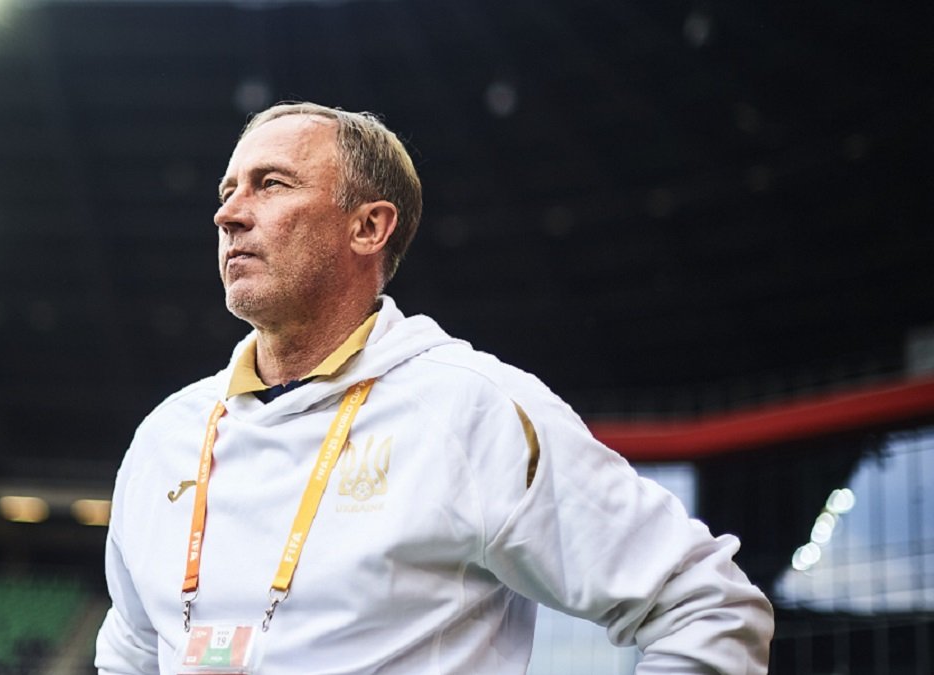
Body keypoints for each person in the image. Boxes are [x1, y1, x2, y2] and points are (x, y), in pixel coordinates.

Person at [96, 101, 774, 674]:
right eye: (227, 191)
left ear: (369, 227)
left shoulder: (471, 408)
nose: (230, 215)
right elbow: (130, 653)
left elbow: (709, 604)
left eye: (270, 185)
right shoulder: (165, 437)